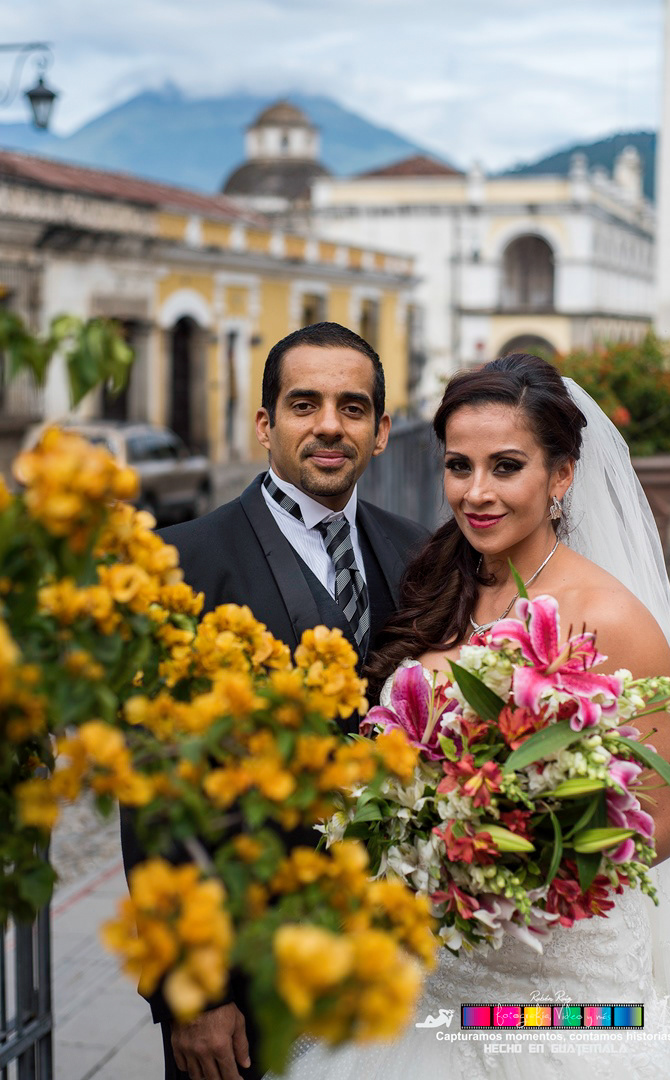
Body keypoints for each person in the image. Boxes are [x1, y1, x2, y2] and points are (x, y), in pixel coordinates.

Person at [266, 354, 670, 1079]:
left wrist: (509, 844)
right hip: (431, 982)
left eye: (505, 467)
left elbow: (660, 827)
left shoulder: (613, 619)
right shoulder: (432, 585)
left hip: (564, 999)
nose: (475, 493)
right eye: (458, 467)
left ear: (561, 476)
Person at [120, 322, 428, 1080]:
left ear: (382, 431)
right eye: (304, 404)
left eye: (352, 407)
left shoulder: (420, 553)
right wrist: (191, 993)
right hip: (244, 979)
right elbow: (154, 795)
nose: (329, 425)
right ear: (266, 424)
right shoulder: (183, 562)